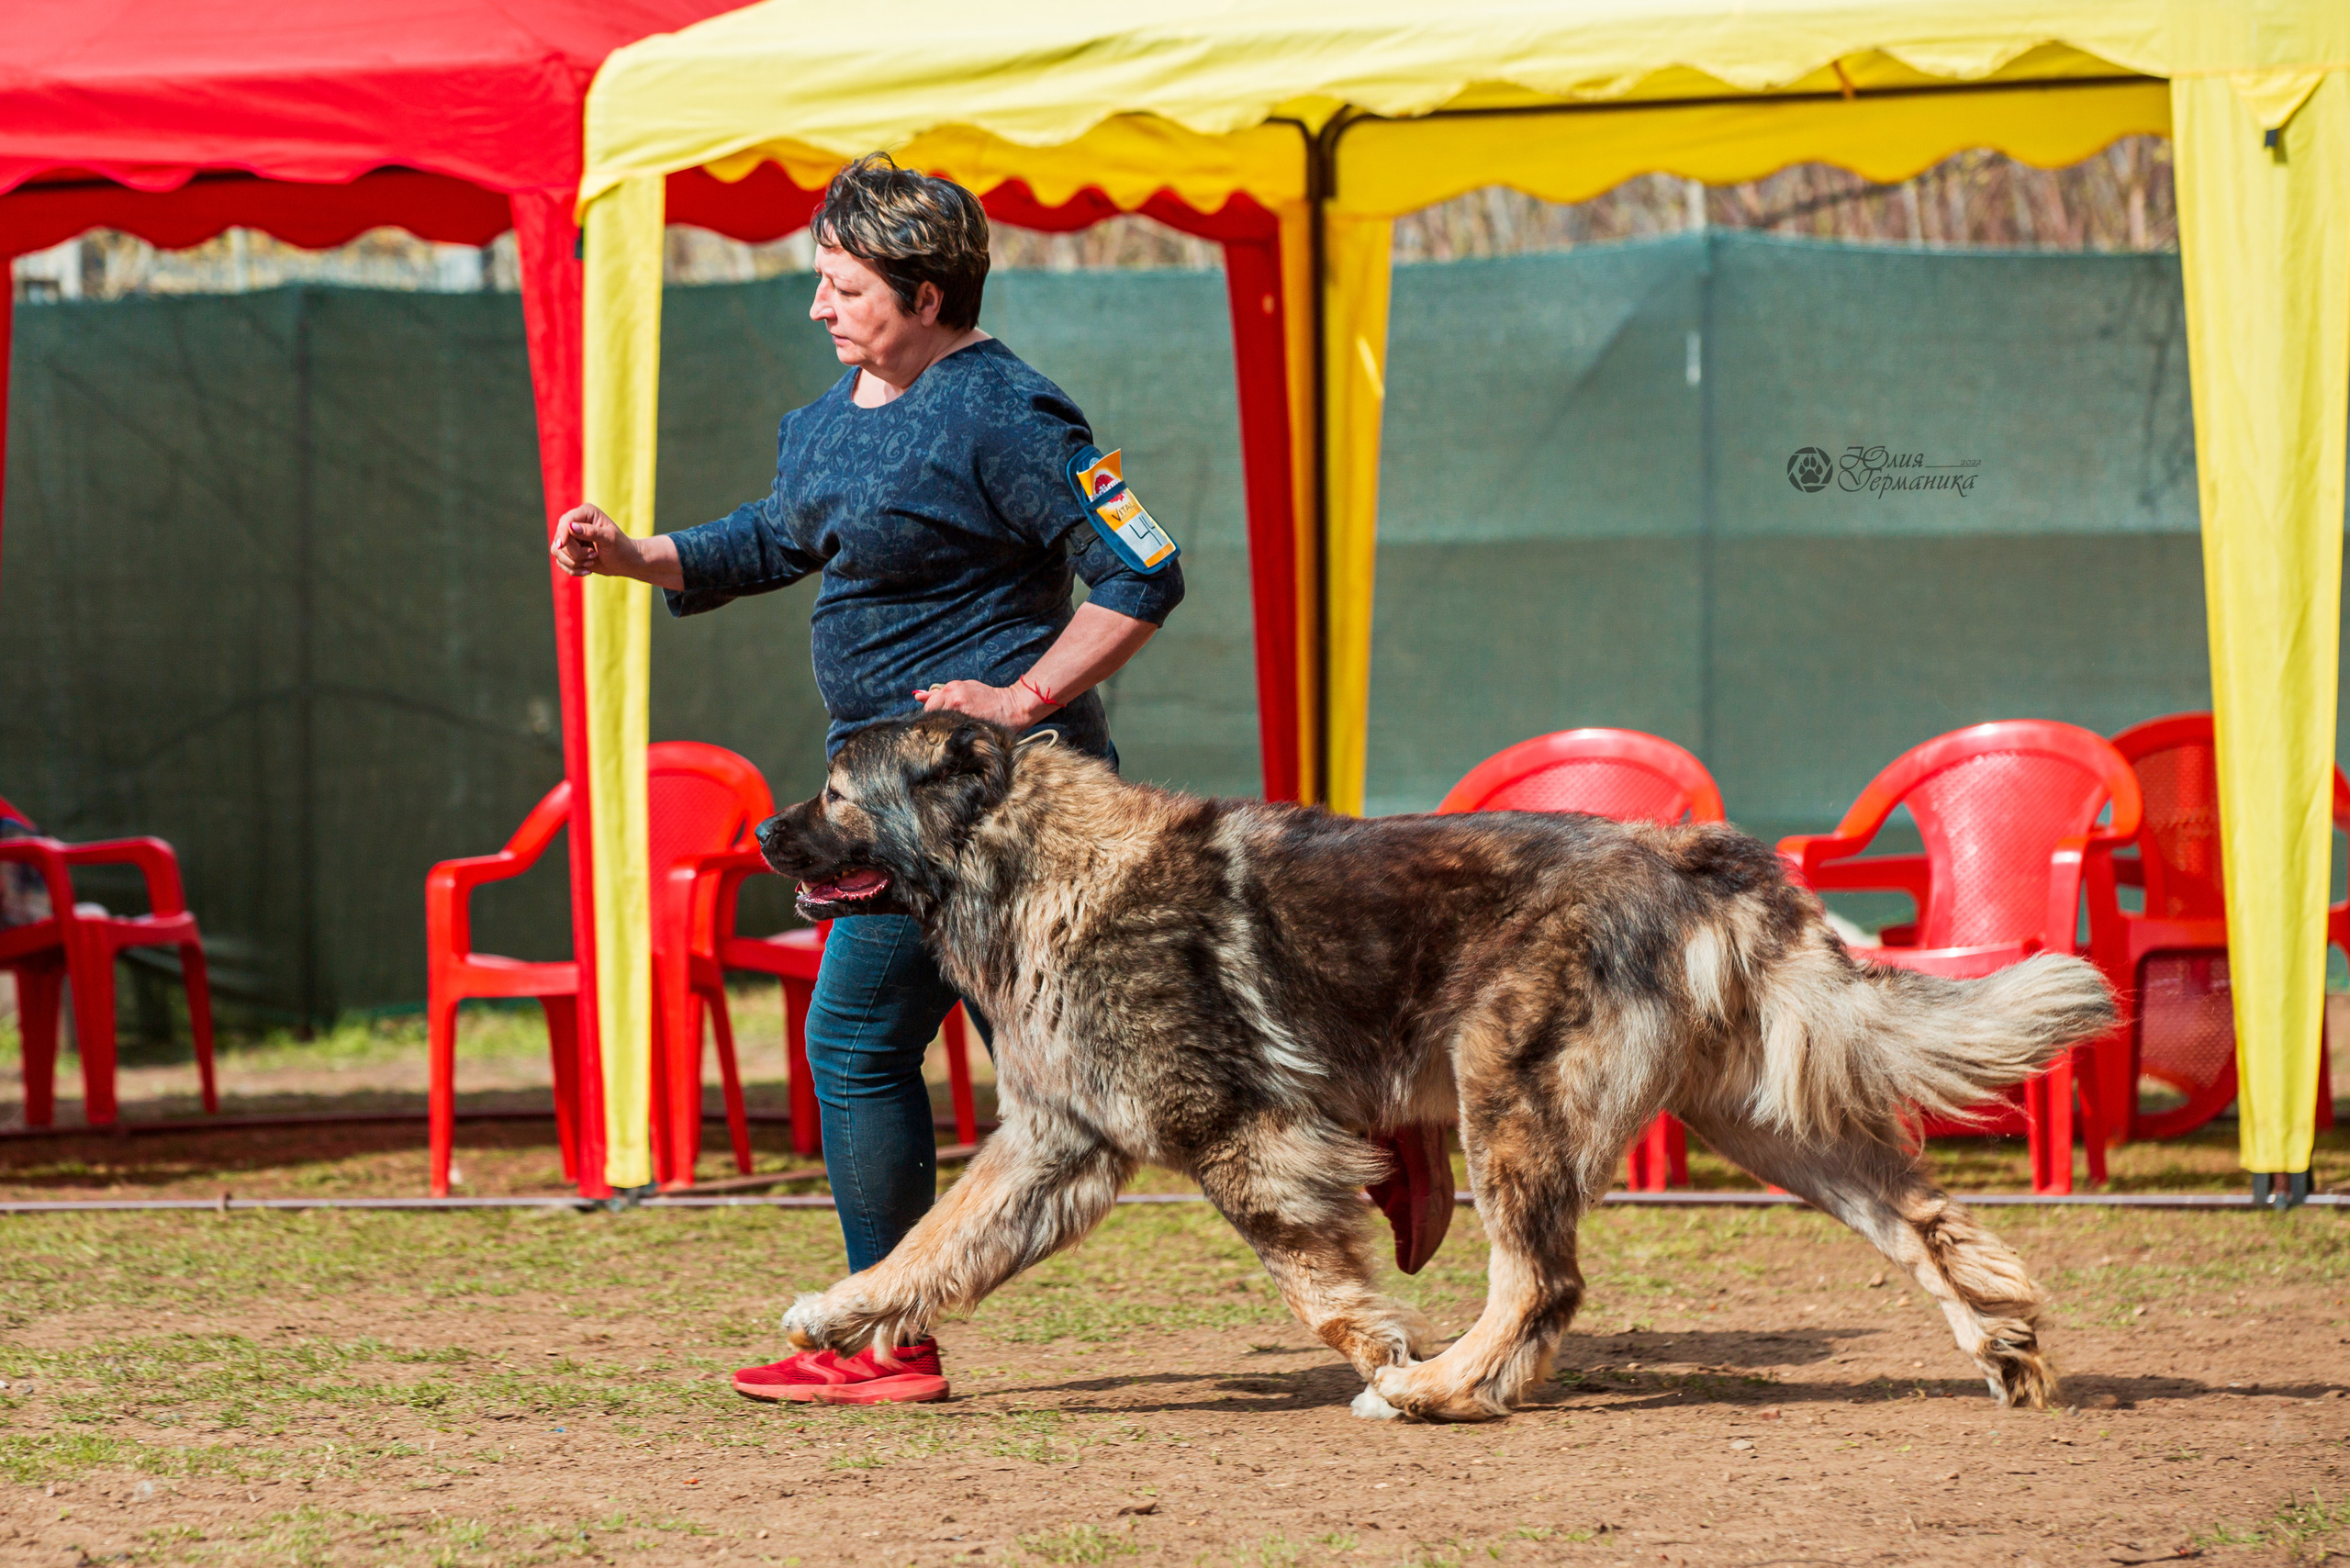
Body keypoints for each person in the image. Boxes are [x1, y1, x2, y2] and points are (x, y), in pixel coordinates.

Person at [553, 152, 1183, 1406]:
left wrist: (1021, 700)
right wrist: (636, 555)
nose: (818, 306)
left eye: (842, 285)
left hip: (989, 813)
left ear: (931, 293)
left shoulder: (1005, 413)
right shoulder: (841, 409)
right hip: (893, 816)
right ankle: (1374, 1130)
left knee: (889, 1043)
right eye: (821, 282)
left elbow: (1142, 569)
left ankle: (882, 1338)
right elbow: (777, 534)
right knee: (1077, 1054)